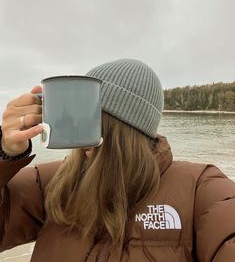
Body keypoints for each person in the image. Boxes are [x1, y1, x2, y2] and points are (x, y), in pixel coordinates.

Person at [0, 58, 235, 262]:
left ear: (126, 127)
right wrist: (5, 152)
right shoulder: (56, 182)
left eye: (90, 120)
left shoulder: (200, 188)